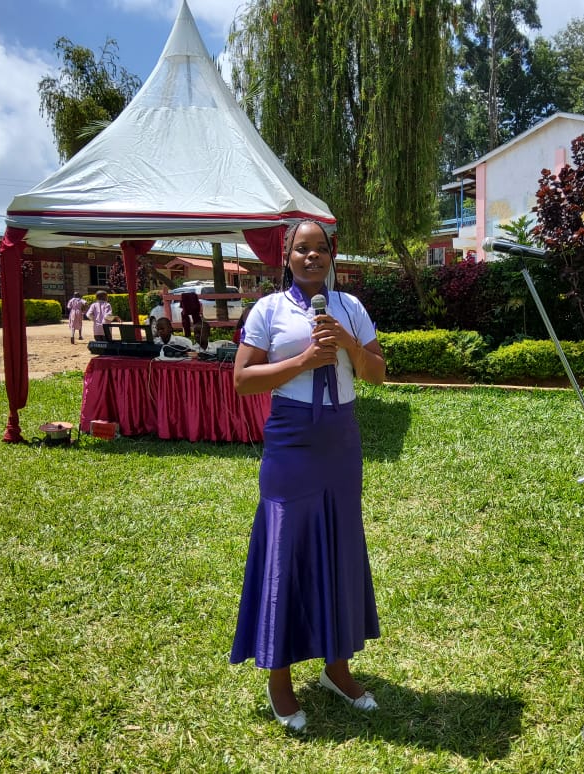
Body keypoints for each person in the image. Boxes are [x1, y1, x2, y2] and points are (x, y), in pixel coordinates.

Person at [229, 220, 386, 733]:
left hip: (340, 440)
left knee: (339, 549)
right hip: (292, 441)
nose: (312, 257)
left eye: (321, 249)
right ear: (287, 257)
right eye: (302, 249)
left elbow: (377, 374)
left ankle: (336, 670)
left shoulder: (350, 308)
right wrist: (302, 360)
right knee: (286, 550)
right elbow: (243, 381)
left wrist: (347, 344)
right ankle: (279, 679)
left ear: (332, 254)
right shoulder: (268, 310)